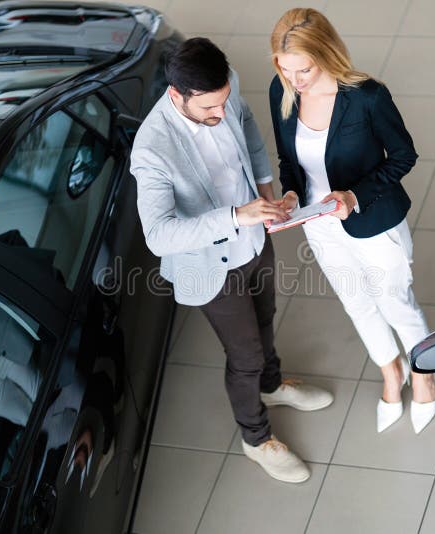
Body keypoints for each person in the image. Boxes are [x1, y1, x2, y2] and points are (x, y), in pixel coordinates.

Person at [130, 37, 333, 483]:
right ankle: (256, 439)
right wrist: (236, 216)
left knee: (266, 317)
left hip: (256, 236)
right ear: (176, 95)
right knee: (244, 354)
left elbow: (245, 126)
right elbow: (159, 235)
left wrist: (265, 192)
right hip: (211, 267)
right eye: (208, 110)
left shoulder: (225, 88)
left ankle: (273, 384)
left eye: (223, 102)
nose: (220, 115)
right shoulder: (152, 150)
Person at [268, 8, 435, 434]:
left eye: (303, 68)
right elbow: (289, 160)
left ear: (325, 53)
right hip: (318, 223)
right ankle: (391, 372)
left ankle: (423, 372)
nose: (295, 79)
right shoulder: (282, 91)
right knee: (356, 301)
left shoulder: (366, 97)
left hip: (372, 220)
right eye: (285, 69)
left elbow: (404, 156)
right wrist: (290, 193)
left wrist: (353, 195)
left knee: (394, 301)